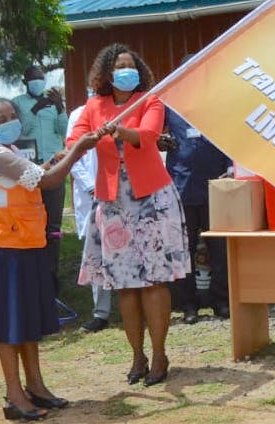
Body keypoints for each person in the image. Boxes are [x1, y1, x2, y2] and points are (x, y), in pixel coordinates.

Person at [0, 95, 98, 421]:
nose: (10, 120)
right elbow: (46, 182)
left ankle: (35, 386)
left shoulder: (5, 152)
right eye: (1, 118)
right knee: (10, 325)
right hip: (8, 247)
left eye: (12, 114)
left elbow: (35, 175)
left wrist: (55, 160)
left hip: (22, 242)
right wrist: (78, 150)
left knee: (25, 323)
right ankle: (14, 394)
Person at [69, 44, 190, 388]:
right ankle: (137, 354)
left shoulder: (149, 100)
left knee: (153, 280)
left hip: (151, 199)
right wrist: (83, 140)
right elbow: (75, 138)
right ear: (106, 74)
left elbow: (149, 136)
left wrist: (119, 130)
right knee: (126, 285)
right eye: (119, 66)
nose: (126, 70)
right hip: (113, 204)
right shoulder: (94, 106)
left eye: (131, 65)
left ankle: (160, 353)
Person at [161, 105, 231, 323]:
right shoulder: (169, 109)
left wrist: (231, 167)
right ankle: (188, 305)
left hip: (215, 185)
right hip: (182, 186)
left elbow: (231, 140)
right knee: (183, 250)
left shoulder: (217, 108)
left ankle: (222, 301)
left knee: (220, 249)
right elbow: (153, 133)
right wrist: (159, 141)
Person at [11, 65, 68, 295]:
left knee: (53, 226)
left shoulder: (53, 101)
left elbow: (64, 131)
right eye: (33, 79)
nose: (38, 82)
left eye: (41, 78)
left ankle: (51, 276)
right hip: (30, 169)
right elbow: (19, 132)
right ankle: (32, 276)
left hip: (54, 168)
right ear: (25, 81)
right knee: (30, 224)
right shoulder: (16, 103)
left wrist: (60, 107)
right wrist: (35, 110)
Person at [66, 99, 111, 333]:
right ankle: (101, 312)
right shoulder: (79, 114)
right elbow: (72, 152)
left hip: (119, 191)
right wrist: (90, 185)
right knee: (97, 253)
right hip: (91, 193)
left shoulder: (123, 109)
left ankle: (132, 305)